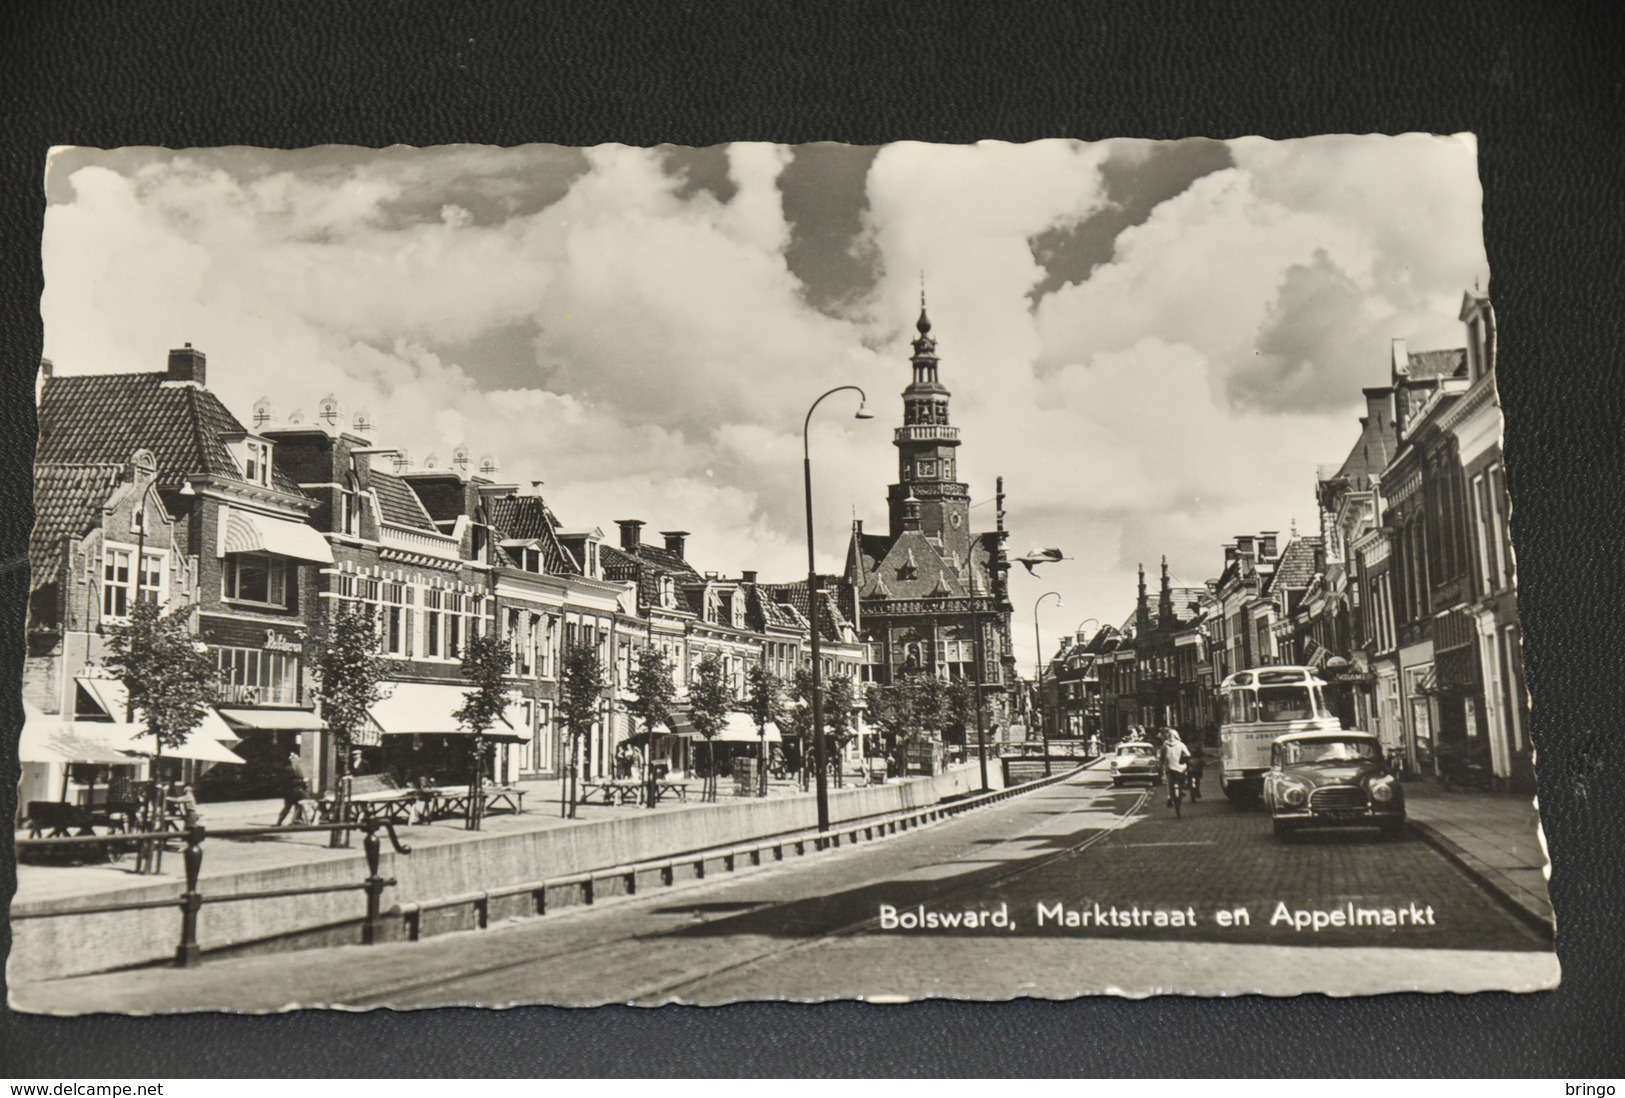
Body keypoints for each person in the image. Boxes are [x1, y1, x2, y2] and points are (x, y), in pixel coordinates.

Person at [275, 751, 309, 826]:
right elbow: (292, 779)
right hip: (294, 791)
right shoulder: (290, 768)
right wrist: (303, 781)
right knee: (295, 805)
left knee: (290, 807)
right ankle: (295, 820)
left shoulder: (287, 767)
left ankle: (282, 821)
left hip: (289, 791)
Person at [1161, 728, 1191, 808]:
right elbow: (1188, 755)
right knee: (1184, 775)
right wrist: (1183, 758)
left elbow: (1161, 757)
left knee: (1169, 782)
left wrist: (1162, 763)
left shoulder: (1164, 745)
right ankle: (1182, 789)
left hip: (1169, 768)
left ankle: (1169, 797)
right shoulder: (1181, 744)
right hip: (1180, 768)